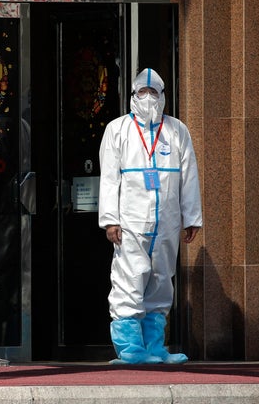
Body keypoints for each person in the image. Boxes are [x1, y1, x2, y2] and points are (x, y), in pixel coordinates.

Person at [98, 68, 202, 364]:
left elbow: (189, 175)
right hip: (130, 220)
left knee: (161, 279)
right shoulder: (117, 129)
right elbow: (108, 178)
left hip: (167, 220)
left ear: (163, 95)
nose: (147, 98)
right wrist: (110, 219)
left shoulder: (177, 130)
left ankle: (155, 346)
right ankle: (130, 349)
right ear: (132, 96)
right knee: (130, 277)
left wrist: (191, 216)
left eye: (153, 92)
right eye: (141, 93)